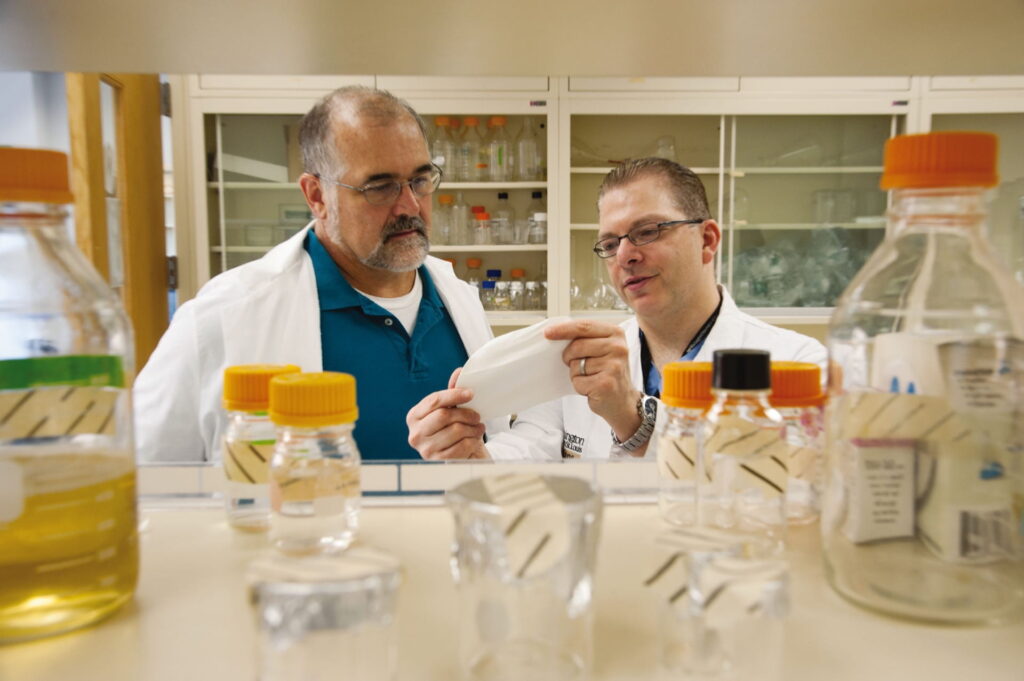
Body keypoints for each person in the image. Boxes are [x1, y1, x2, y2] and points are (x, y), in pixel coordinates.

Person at [134, 86, 497, 463]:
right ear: (316, 196)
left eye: (420, 181)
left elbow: (498, 441)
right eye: (380, 187)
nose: (409, 205)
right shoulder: (223, 315)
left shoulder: (457, 298)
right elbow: (148, 477)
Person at [407, 157, 826, 460]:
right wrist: (471, 455)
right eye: (610, 243)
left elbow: (786, 488)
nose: (625, 255)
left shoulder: (800, 365)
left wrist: (633, 420)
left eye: (647, 231)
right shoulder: (578, 359)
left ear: (708, 240)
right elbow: (531, 448)